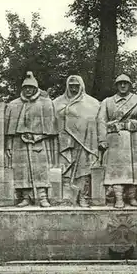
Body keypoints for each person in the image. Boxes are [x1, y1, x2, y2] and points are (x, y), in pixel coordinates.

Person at [4, 71, 58, 207]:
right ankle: (26, 197)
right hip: (19, 143)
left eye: (30, 87)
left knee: (41, 169)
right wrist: (9, 145)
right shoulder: (13, 105)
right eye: (25, 87)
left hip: (39, 142)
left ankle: (43, 197)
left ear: (35, 88)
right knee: (22, 170)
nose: (28, 90)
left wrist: (39, 136)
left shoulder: (46, 103)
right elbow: (9, 131)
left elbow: (51, 128)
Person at [97, 74, 137, 208]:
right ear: (116, 85)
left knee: (135, 169)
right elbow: (101, 121)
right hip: (115, 139)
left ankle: (132, 197)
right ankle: (118, 198)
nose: (122, 86)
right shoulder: (107, 102)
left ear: (130, 85)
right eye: (120, 83)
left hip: (135, 138)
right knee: (116, 170)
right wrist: (102, 139)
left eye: (125, 83)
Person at [53, 75, 100, 207]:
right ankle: (67, 197)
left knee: (84, 171)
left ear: (82, 86)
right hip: (64, 142)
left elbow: (94, 122)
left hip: (84, 143)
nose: (74, 89)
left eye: (76, 86)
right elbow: (52, 122)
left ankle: (83, 197)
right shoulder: (57, 102)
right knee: (65, 170)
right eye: (71, 86)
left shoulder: (92, 103)